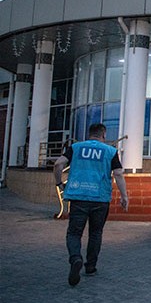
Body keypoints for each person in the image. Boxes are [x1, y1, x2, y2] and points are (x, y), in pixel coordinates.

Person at [53, 123, 128, 287]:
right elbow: (118, 174)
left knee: (74, 233)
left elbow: (58, 164)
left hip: (78, 197)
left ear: (90, 134)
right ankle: (91, 266)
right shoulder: (110, 151)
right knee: (96, 233)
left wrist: (59, 183)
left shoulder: (76, 147)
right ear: (103, 135)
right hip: (100, 199)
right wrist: (124, 196)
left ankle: (75, 259)